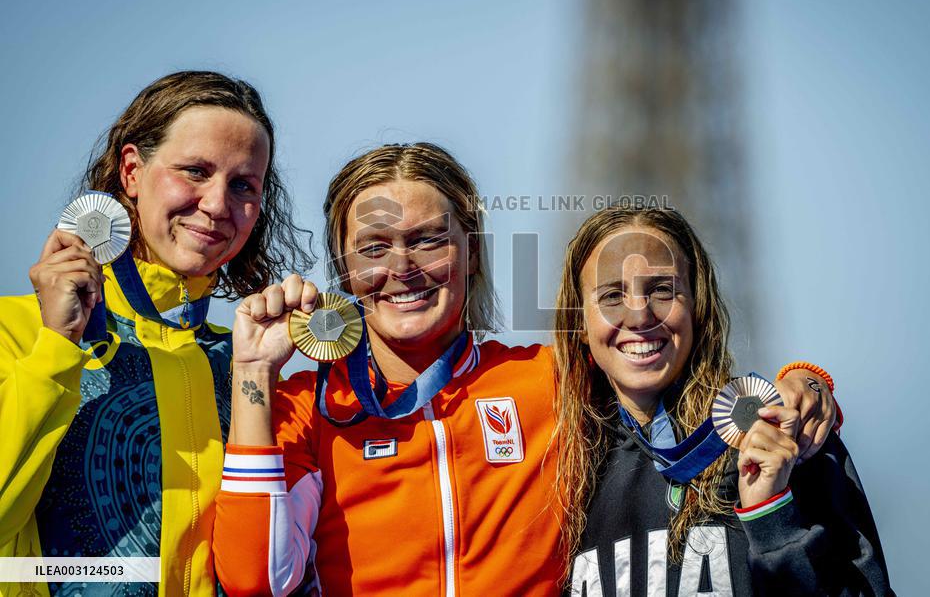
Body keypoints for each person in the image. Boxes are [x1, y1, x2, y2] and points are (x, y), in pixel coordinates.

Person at [212, 143, 839, 595]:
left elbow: (669, 360)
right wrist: (251, 374)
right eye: (375, 248)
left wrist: (806, 382)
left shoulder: (551, 378)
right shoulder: (305, 405)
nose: (402, 268)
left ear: (473, 250)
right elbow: (256, 578)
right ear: (345, 268)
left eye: (430, 239)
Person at [0, 71, 312, 596]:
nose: (216, 205)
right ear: (131, 172)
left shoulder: (245, 363)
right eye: (195, 171)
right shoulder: (21, 330)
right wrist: (57, 345)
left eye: (243, 185)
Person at [552, 206, 893, 595]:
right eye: (612, 295)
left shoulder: (784, 436)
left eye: (663, 289)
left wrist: (772, 517)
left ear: (698, 304)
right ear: (578, 321)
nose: (640, 315)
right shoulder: (558, 469)